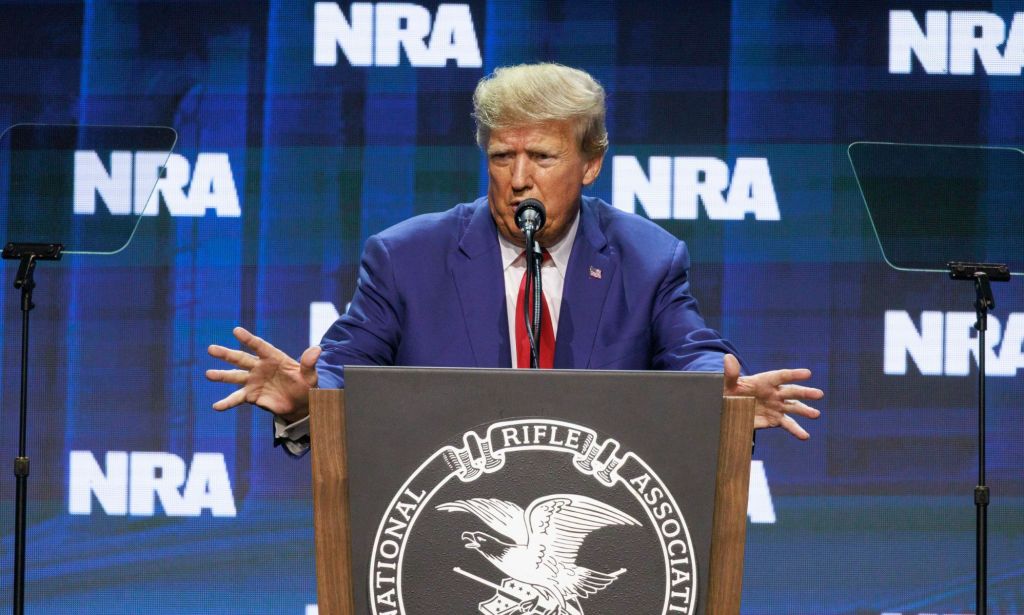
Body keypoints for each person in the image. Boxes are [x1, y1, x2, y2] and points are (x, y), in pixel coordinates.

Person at [206, 63, 822, 456]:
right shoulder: (404, 257)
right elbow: (342, 370)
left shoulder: (648, 259)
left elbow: (691, 352)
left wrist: (720, 387)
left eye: (544, 158)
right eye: (503, 157)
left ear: (590, 163)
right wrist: (306, 400)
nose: (519, 179)